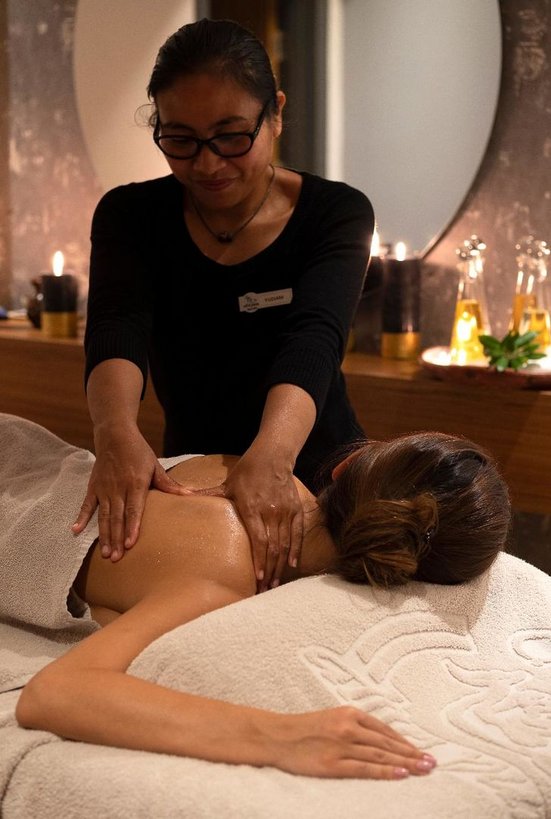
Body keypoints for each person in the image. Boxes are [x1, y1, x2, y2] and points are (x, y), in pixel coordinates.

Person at [16, 429, 511, 779]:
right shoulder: (223, 579)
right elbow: (54, 694)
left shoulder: (261, 478)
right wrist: (283, 736)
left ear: (348, 465)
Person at [73, 18, 375, 590]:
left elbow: (314, 339)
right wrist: (113, 431)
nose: (208, 164)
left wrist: (274, 455)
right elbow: (117, 326)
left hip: (316, 468)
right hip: (193, 471)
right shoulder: (130, 215)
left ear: (275, 113)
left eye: (231, 136)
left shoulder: (336, 213)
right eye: (180, 140)